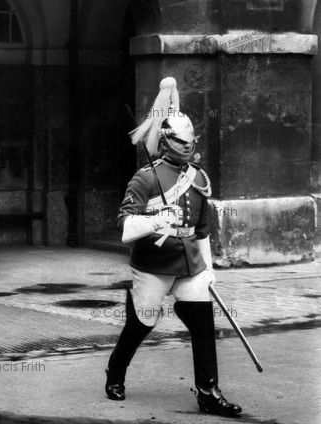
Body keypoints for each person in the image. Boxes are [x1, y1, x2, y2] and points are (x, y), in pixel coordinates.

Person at [104, 77, 242, 417]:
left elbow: (202, 228)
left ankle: (208, 391)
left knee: (202, 321)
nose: (188, 145)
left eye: (190, 140)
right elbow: (124, 227)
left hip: (189, 261)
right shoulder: (146, 178)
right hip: (153, 262)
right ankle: (116, 371)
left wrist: (208, 269)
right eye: (182, 140)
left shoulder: (198, 178)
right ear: (167, 142)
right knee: (143, 322)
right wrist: (154, 219)